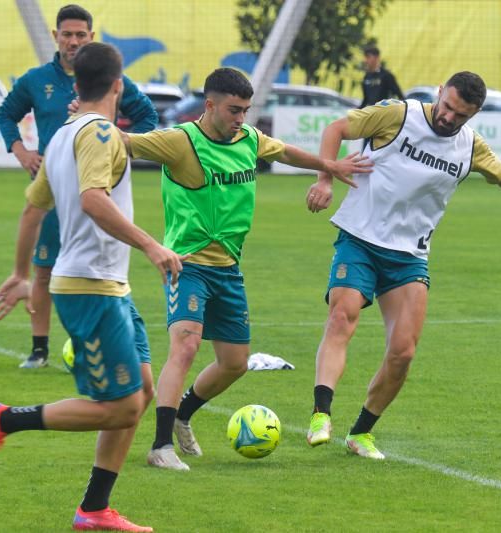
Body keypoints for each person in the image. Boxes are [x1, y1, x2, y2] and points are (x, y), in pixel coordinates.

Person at [305, 71, 501, 459]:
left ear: (474, 113)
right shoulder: (398, 115)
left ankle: (360, 433)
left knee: (403, 353)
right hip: (360, 239)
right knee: (342, 317)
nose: (449, 118)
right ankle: (321, 414)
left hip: (409, 256)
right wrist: (325, 178)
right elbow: (336, 129)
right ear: (439, 92)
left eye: (461, 114)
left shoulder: (469, 146)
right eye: (447, 107)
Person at [117, 67, 373, 471]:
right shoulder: (181, 141)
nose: (241, 118)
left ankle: (183, 415)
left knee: (235, 363)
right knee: (185, 345)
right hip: (186, 263)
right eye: (234, 110)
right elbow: (126, 143)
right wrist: (89, 124)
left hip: (229, 268)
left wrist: (329, 166)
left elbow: (285, 152)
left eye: (246, 111)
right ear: (210, 105)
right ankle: (160, 445)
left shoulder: (249, 139)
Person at [0, 42, 182, 532]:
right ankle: (4, 419)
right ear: (118, 86)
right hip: (89, 285)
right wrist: (151, 245)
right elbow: (93, 199)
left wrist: (21, 273)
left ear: (76, 84)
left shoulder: (63, 134)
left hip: (109, 285)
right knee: (122, 406)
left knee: (142, 393)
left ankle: (94, 509)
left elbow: (33, 208)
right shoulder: (100, 133)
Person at [0, 3, 157, 370]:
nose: (73, 41)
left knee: (96, 264)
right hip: (56, 189)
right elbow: (6, 113)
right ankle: (39, 349)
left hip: (96, 187)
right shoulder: (36, 80)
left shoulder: (110, 80)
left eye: (80, 35)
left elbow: (148, 117)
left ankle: (98, 348)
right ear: (55, 36)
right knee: (44, 268)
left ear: (91, 37)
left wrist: (120, 143)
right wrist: (21, 151)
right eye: (67, 35)